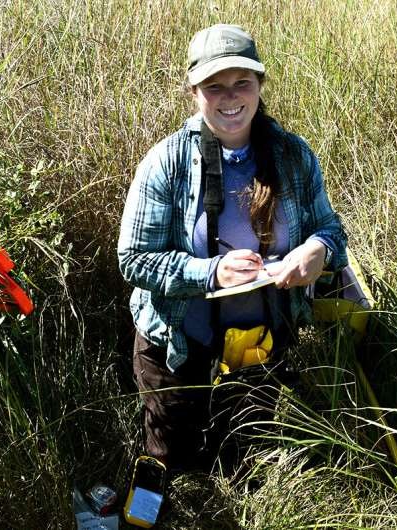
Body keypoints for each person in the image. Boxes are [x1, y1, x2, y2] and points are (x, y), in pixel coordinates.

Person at [117, 24, 348, 474]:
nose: (229, 97)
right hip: (179, 345)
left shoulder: (292, 155)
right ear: (193, 91)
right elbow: (134, 259)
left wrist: (318, 250)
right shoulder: (168, 162)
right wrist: (210, 273)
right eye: (214, 86)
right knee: (173, 463)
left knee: (244, 455)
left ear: (260, 85)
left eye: (242, 82)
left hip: (261, 346)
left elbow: (330, 229)